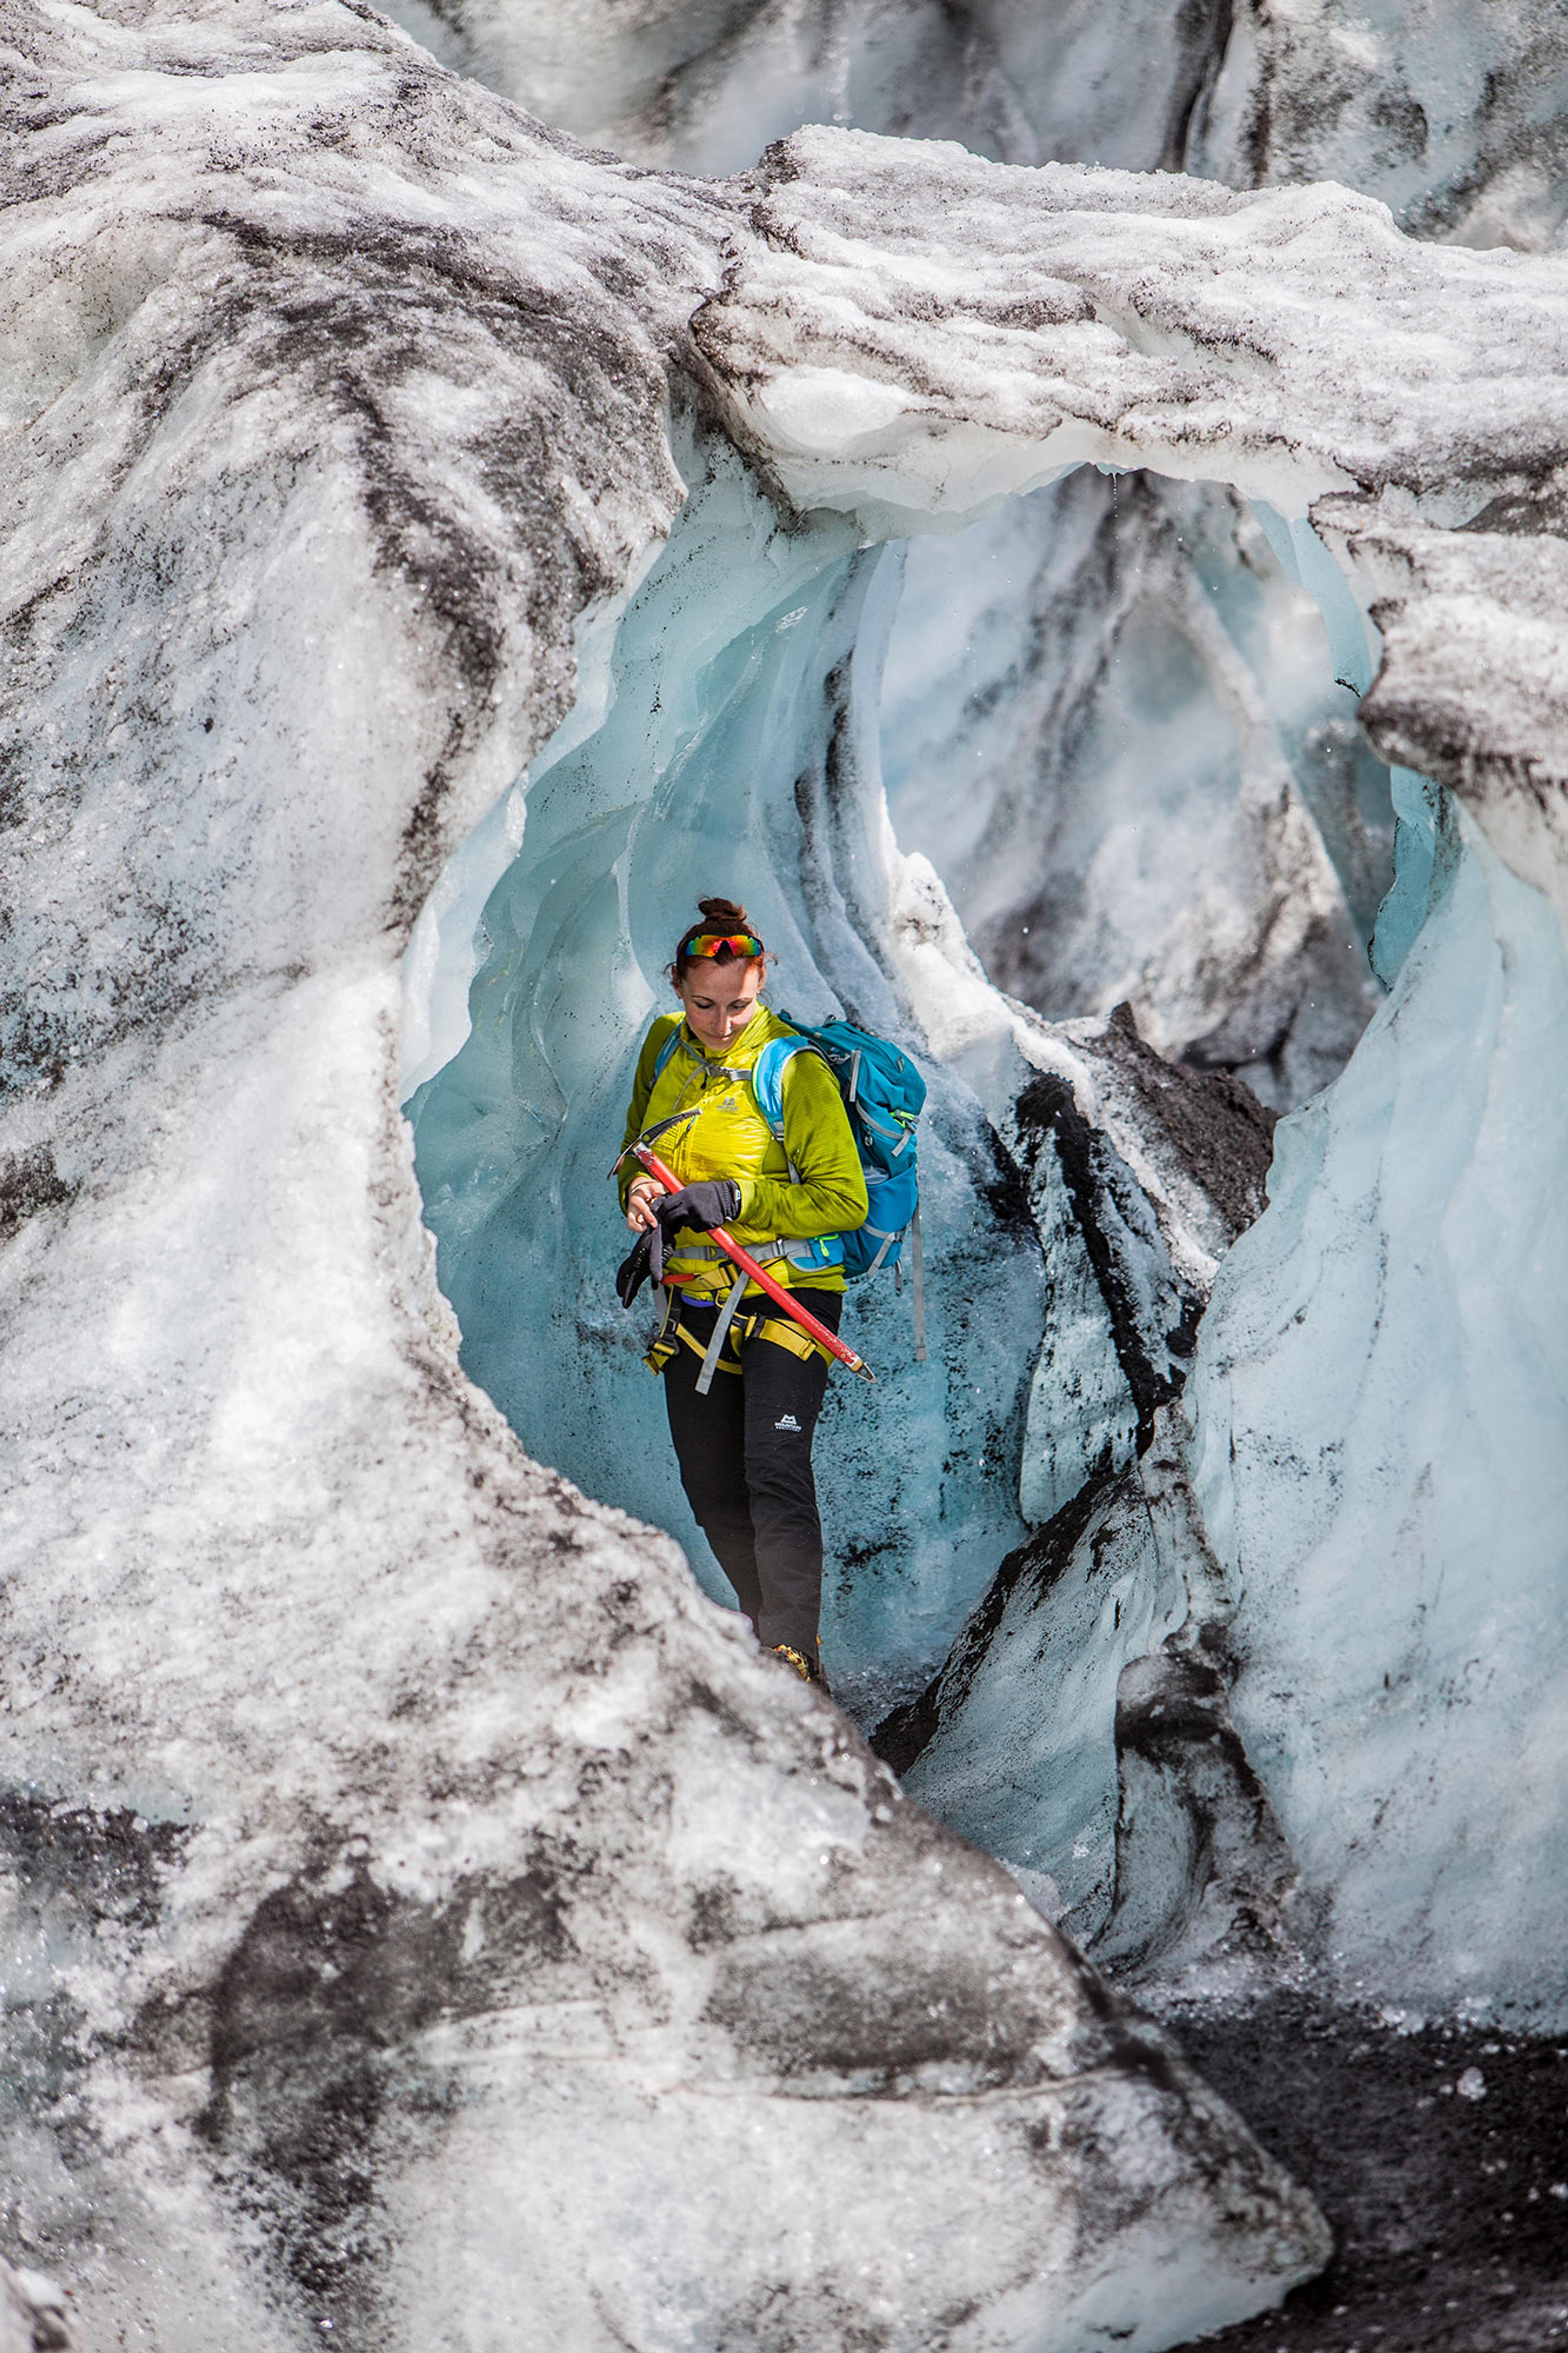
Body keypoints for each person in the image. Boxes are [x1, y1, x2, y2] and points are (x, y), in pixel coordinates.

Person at [613, 898, 867, 1687]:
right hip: (694, 1299)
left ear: (762, 988)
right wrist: (642, 1201)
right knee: (711, 1483)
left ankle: (795, 1650)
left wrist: (735, 1200)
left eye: (739, 1005)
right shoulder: (663, 1048)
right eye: (704, 1004)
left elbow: (844, 1199)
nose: (721, 1024)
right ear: (677, 991)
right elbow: (636, 1153)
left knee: (774, 1466)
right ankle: (770, 1633)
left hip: (788, 1293)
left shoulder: (794, 1069)